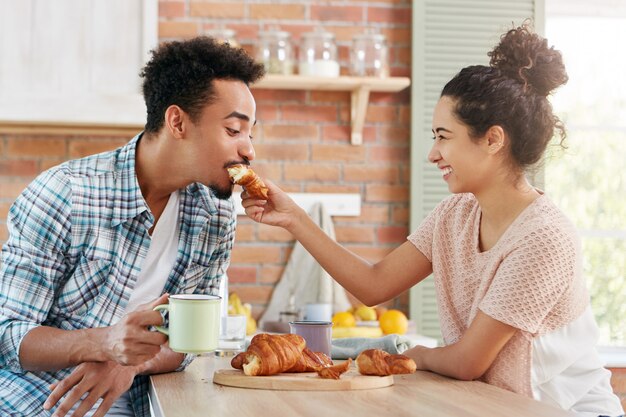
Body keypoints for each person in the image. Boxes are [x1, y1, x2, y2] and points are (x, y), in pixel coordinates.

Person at [240, 24, 624, 417]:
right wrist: (294, 219)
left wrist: (415, 353)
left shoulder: (544, 237)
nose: (433, 153)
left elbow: (467, 362)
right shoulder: (454, 215)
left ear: (493, 140)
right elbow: (375, 285)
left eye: (444, 137)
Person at [0, 37, 264, 416]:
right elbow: (7, 335)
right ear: (177, 122)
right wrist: (103, 343)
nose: (249, 150)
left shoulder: (215, 217)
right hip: (38, 402)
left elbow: (193, 341)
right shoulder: (66, 194)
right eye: (234, 130)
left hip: (148, 401)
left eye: (250, 133)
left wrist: (131, 362)